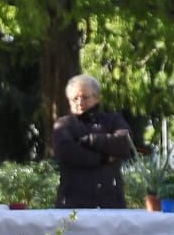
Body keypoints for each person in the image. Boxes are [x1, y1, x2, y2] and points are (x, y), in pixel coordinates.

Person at [51, 74, 135, 209]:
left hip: (111, 201)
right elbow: (67, 153)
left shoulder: (113, 120)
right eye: (75, 99)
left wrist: (91, 140)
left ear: (97, 98)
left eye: (85, 97)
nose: (79, 102)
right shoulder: (63, 125)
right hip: (73, 203)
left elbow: (124, 143)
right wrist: (105, 157)